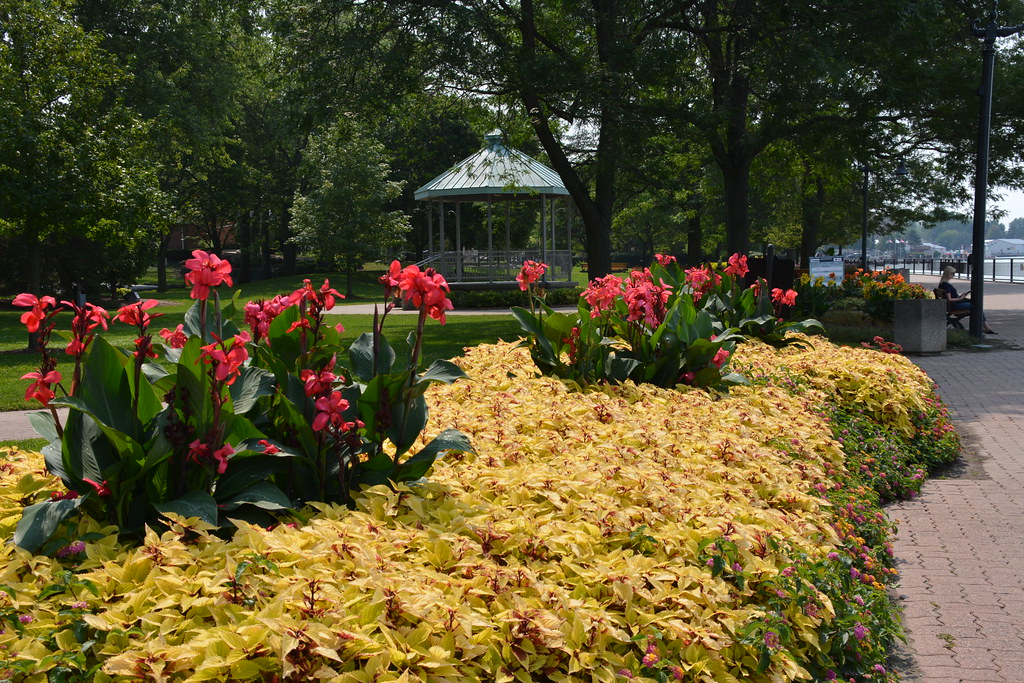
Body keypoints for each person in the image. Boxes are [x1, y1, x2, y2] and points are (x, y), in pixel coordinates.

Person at [937, 265, 996, 333]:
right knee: (977, 306)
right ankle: (986, 328)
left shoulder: (942, 284)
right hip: (954, 305)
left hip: (952, 305)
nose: (953, 275)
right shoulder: (946, 285)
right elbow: (950, 299)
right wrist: (960, 298)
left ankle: (985, 327)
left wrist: (960, 297)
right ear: (948, 274)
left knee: (974, 304)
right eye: (952, 273)